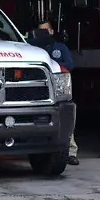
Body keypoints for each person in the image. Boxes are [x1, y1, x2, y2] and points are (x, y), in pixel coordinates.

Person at [38, 21, 78, 165]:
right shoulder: (35, 49)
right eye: (40, 31)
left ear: (52, 32)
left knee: (65, 120)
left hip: (60, 89)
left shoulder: (61, 48)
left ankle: (71, 152)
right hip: (42, 93)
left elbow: (70, 64)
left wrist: (54, 67)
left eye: (46, 30)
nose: (43, 33)